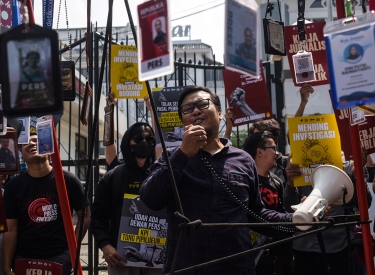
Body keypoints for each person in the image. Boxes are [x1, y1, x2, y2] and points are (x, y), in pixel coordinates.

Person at [140, 85, 296, 275]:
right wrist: (183, 154)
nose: (196, 111)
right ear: (184, 122)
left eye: (202, 104)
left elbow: (256, 214)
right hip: (186, 268)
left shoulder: (244, 160)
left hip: (237, 268)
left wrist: (296, 219)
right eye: (188, 109)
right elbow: (150, 198)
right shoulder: (172, 157)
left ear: (220, 114)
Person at [2, 132, 90, 275]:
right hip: (24, 259)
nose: (31, 144)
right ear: (22, 157)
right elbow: (10, 229)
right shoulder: (14, 187)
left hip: (59, 257)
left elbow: (85, 216)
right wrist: (6, 267)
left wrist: (72, 251)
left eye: (37, 140)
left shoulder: (69, 180)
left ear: (50, 152)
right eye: (25, 144)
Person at [91, 122, 161, 275]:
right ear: (128, 143)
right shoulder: (114, 176)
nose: (144, 143)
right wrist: (105, 245)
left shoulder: (161, 175)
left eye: (149, 139)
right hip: (120, 259)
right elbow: (98, 216)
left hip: (157, 259)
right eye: (138, 139)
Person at [243, 132, 293, 275]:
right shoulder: (245, 181)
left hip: (272, 258)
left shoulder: (277, 182)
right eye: (273, 148)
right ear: (260, 152)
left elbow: (281, 213)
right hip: (249, 257)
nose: (277, 153)